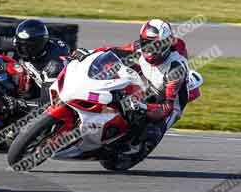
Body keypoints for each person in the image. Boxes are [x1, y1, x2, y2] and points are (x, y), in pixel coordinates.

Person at [71, 18, 190, 156]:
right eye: (147, 43)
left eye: (157, 45)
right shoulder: (140, 47)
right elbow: (114, 51)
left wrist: (143, 107)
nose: (151, 49)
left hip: (168, 101)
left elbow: (167, 108)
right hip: (148, 84)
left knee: (151, 131)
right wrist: (89, 53)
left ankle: (132, 148)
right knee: (117, 91)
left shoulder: (174, 70)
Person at [0, 19, 71, 115]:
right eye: (20, 44)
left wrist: (20, 104)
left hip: (45, 93)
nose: (21, 49)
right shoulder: (23, 42)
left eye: (27, 47)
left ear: (39, 45)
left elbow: (48, 104)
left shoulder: (52, 66)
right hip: (27, 78)